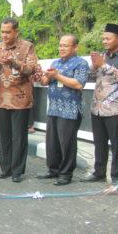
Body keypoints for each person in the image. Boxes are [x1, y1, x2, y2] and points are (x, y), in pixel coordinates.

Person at [37, 35, 89, 186]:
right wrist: (46, 76)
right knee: (52, 142)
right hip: (54, 107)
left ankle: (66, 174)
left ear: (75, 47)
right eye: (60, 45)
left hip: (70, 109)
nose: (61, 48)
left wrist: (57, 75)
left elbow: (79, 84)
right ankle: (53, 170)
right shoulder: (55, 62)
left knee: (67, 143)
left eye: (66, 45)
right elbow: (45, 81)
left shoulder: (81, 63)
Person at [0, 18, 38, 183]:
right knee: (3, 135)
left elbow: (31, 69)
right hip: (2, 98)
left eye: (7, 32)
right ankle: (5, 168)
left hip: (20, 98)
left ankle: (17, 170)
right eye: (2, 32)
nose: (4, 35)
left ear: (16, 32)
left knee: (19, 136)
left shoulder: (27, 46)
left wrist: (14, 62)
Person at [81, 23, 118, 184]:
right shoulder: (103, 55)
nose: (104, 41)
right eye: (103, 38)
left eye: (108, 38)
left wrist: (103, 65)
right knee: (99, 143)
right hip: (98, 108)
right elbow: (90, 77)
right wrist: (95, 66)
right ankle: (99, 172)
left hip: (114, 109)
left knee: (116, 145)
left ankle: (116, 177)